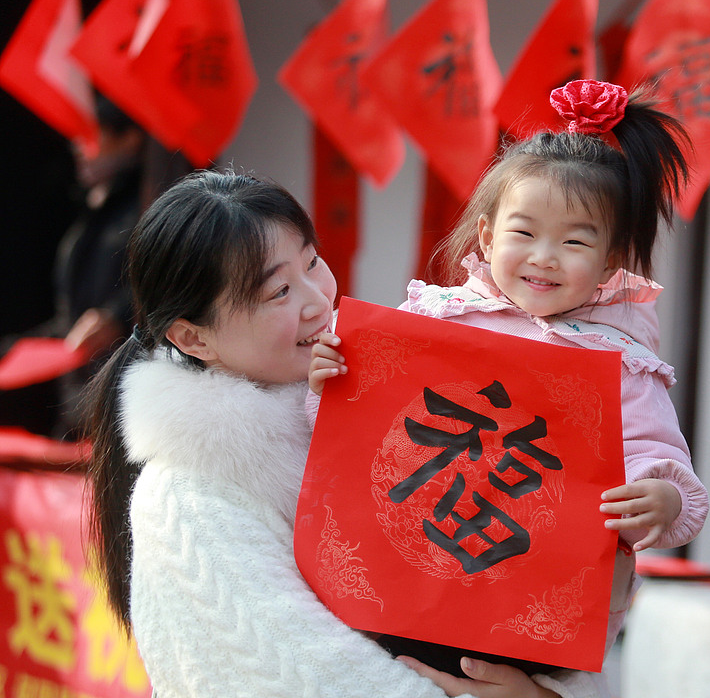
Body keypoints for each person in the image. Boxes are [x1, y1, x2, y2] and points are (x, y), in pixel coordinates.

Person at [85, 170, 602, 698]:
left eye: (312, 262)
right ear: (192, 337)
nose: (317, 299)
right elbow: (312, 678)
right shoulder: (187, 497)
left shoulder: (377, 408)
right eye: (279, 291)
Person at [309, 80, 709, 671]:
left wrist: (662, 498)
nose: (544, 256)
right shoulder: (434, 321)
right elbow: (360, 431)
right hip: (408, 573)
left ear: (611, 259)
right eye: (523, 233)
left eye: (575, 241)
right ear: (487, 234)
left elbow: (653, 453)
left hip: (525, 608)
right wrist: (330, 380)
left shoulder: (620, 359)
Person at [0, 95, 146, 438]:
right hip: (78, 411)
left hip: (127, 410)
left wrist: (118, 317)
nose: (77, 147)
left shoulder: (149, 210)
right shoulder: (86, 221)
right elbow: (72, 323)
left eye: (90, 135)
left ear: (130, 138)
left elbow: (172, 284)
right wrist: (11, 351)